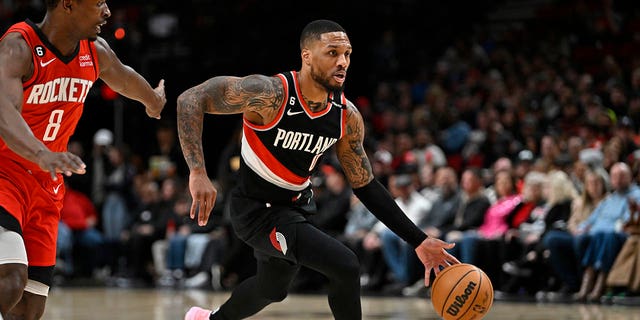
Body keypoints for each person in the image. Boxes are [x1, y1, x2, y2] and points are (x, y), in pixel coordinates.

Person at [179, 19, 459, 320]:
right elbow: (191, 99)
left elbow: (365, 185)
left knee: (272, 288)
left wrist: (419, 240)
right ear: (307, 56)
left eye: (348, 54)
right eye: (333, 52)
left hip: (296, 207)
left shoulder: (345, 116)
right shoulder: (270, 94)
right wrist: (198, 171)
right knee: (346, 265)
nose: (343, 62)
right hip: (256, 209)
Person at [0, 1, 166, 318]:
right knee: (10, 281)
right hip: (4, 175)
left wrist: (153, 101)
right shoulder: (17, 47)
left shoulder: (95, 52)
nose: (107, 11)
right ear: (68, 5)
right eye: (99, 3)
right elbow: (5, 116)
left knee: (29, 309)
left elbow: (126, 78)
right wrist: (42, 153)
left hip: (46, 188)